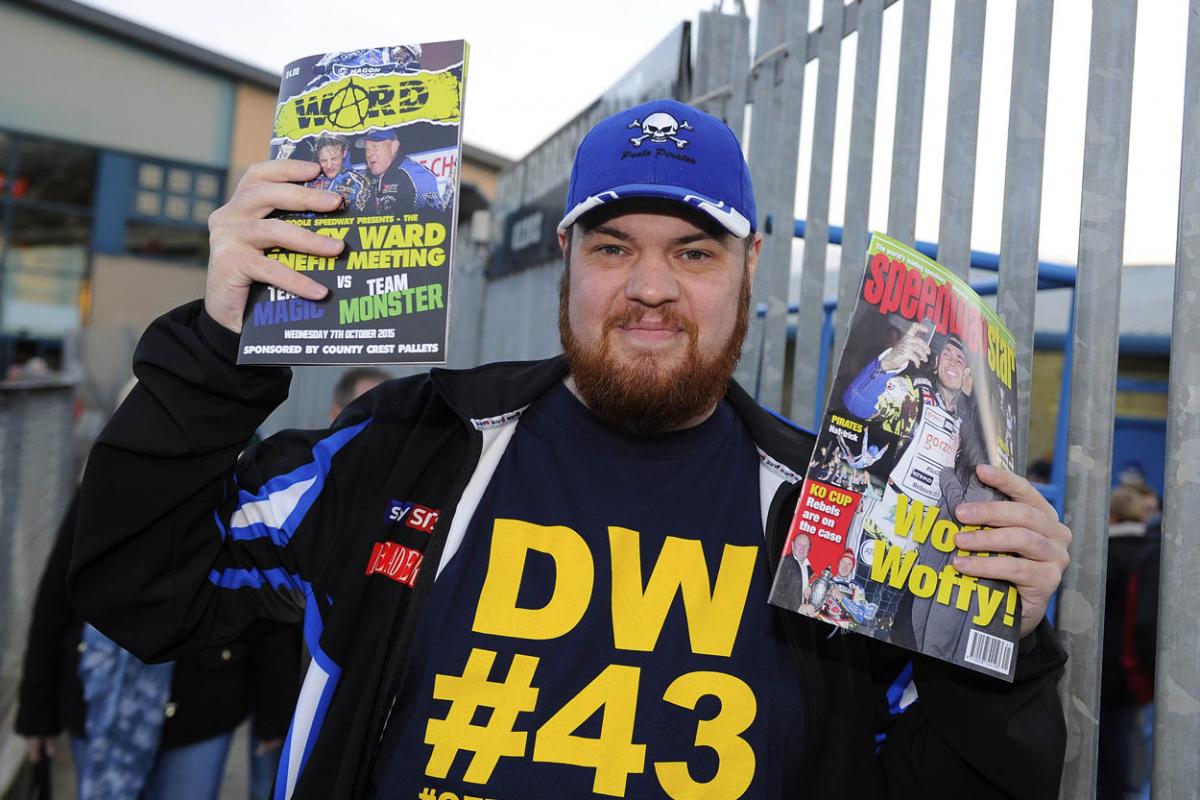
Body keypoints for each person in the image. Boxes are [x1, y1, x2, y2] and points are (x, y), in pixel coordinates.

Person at [68, 99, 1071, 798]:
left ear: (751, 266)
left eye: (693, 250)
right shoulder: (417, 443)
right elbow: (138, 578)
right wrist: (215, 346)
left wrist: (1003, 648)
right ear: (567, 258)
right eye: (612, 245)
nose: (650, 285)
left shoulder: (838, 513)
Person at [17, 493, 302, 800]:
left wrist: (275, 711)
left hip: (201, 708)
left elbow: (257, 597)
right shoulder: (108, 481)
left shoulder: (232, 484)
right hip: (101, 699)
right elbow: (56, 600)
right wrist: (38, 713)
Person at [840, 328, 975, 631]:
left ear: (969, 374)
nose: (953, 362)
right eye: (949, 355)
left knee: (886, 629)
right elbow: (856, 403)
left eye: (962, 359)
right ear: (937, 360)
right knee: (849, 619)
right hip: (882, 525)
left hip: (920, 548)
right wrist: (889, 364)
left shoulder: (972, 428)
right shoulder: (914, 396)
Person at [1098, 485, 1154, 800]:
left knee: (1109, 738)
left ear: (1113, 514)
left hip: (1107, 660)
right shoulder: (1152, 552)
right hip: (1136, 662)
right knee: (1130, 734)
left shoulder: (1105, 554)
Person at [357, 129, 442, 213]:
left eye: (375, 147)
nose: (368, 154)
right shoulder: (364, 179)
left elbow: (433, 218)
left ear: (394, 146)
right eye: (366, 149)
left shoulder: (416, 175)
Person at [772, 531, 814, 611]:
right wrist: (797, 608)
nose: (802, 548)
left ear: (809, 549)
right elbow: (775, 593)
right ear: (792, 545)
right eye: (799, 544)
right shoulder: (784, 562)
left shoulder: (809, 569)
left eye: (806, 546)